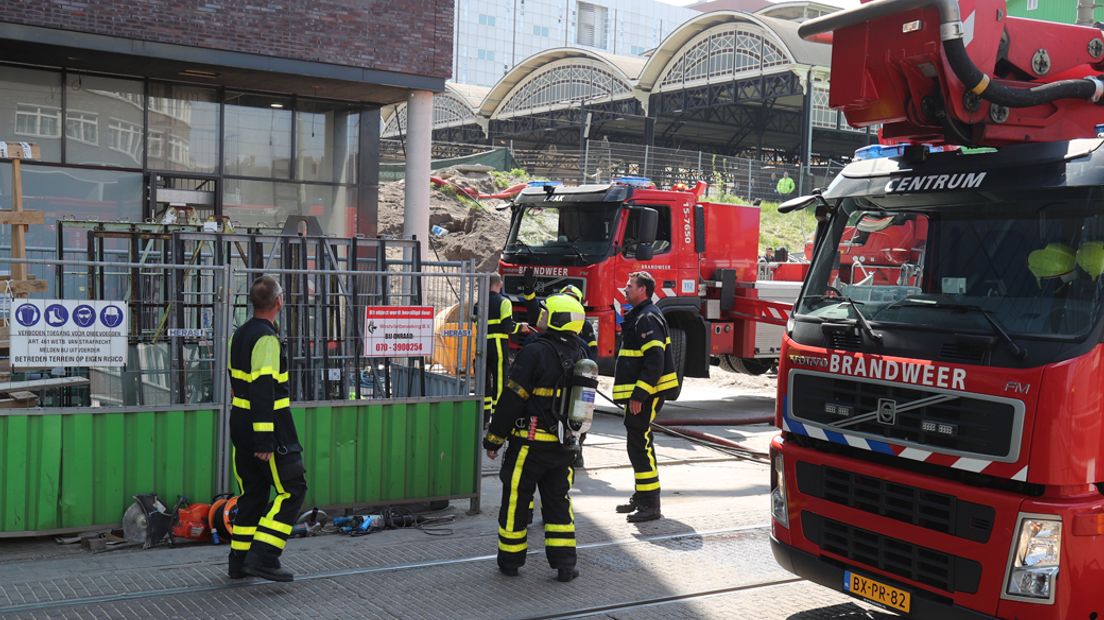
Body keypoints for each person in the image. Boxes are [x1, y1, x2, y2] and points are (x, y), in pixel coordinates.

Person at [483, 294, 589, 582]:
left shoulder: (535, 352)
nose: (540, 318)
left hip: (529, 446)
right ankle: (565, 564)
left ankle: (510, 561)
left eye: (545, 314)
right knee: (558, 503)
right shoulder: (581, 354)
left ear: (556, 319)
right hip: (563, 447)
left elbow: (512, 399)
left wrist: (494, 438)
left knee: (516, 503)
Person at [226, 275, 308, 582]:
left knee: (254, 494)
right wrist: (265, 440)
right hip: (268, 427)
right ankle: (265, 556)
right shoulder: (266, 339)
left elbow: (237, 386)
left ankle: (240, 561)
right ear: (278, 302)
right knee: (294, 489)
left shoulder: (240, 334)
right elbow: (263, 390)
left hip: (240, 423)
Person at [612, 271, 680, 523]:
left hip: (647, 394)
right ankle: (643, 496)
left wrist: (640, 394)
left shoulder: (648, 318)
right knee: (637, 444)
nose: (625, 288)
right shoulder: (641, 315)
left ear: (643, 290)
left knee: (640, 445)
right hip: (641, 394)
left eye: (629, 286)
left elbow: (655, 360)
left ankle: (651, 503)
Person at [557, 284, 597, 468]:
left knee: (580, 415)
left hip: (580, 379)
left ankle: (578, 449)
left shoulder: (586, 325)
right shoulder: (557, 322)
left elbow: (592, 354)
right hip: (561, 379)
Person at [485, 272, 529, 424]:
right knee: (499, 382)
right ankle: (497, 418)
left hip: (481, 347)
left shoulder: (479, 303)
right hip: (497, 346)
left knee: (485, 383)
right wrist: (521, 327)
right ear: (499, 284)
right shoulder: (504, 302)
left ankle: (484, 418)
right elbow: (507, 326)